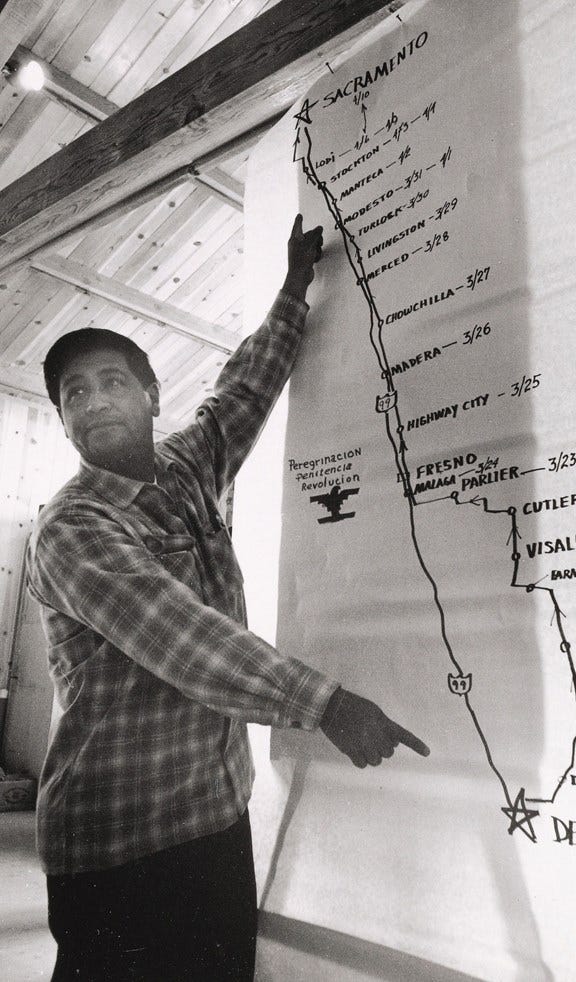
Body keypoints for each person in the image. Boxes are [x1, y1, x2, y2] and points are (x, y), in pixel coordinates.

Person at [27, 215, 430, 982]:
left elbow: (240, 394)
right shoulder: (71, 527)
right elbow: (185, 641)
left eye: (112, 381)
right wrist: (328, 703)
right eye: (73, 393)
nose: (92, 401)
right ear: (66, 420)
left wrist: (292, 292)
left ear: (150, 394)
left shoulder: (183, 468)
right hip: (117, 843)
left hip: (212, 815)